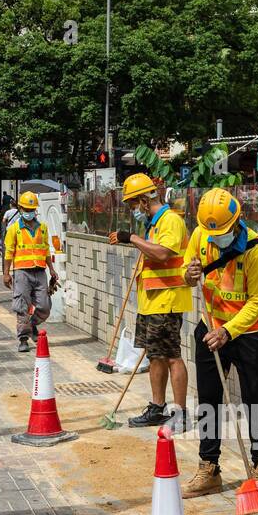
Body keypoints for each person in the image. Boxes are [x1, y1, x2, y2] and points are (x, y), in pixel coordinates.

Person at [180, 188, 258, 498]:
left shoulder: (256, 250)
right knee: (208, 401)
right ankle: (209, 467)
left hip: (247, 336)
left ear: (236, 222)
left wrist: (229, 331)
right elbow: (187, 271)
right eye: (210, 232)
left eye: (220, 231)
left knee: (255, 402)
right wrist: (189, 274)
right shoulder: (201, 235)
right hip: (210, 329)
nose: (214, 237)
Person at [108, 173, 192, 432]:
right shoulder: (153, 225)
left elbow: (164, 254)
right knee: (156, 356)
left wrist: (131, 238)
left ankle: (180, 413)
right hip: (152, 302)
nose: (132, 210)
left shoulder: (170, 221)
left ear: (144, 200)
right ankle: (157, 407)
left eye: (133, 204)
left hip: (167, 301)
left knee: (172, 357)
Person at [2, 191, 58, 352]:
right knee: (22, 306)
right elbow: (8, 253)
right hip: (21, 272)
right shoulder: (13, 229)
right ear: (20, 208)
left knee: (44, 306)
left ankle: (32, 324)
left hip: (40, 271)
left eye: (31, 209)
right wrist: (6, 273)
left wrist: (52, 270)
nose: (29, 212)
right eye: (26, 209)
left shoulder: (43, 228)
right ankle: (23, 339)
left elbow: (46, 250)